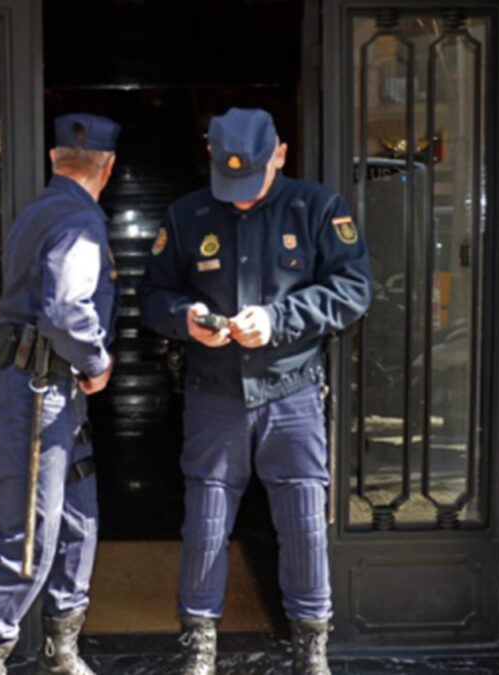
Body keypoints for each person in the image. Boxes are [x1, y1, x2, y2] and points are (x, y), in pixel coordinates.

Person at [139, 107, 371, 675]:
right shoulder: (188, 214)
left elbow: (353, 289)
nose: (239, 198)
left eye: (254, 180)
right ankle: (198, 645)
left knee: (303, 523)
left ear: (281, 155)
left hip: (292, 395)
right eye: (229, 182)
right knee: (206, 521)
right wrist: (184, 317)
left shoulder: (317, 208)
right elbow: (153, 294)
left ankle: (311, 647)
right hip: (214, 395)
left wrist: (279, 318)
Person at [0, 113, 120, 675]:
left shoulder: (35, 211)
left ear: (55, 159)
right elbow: (63, 308)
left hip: (45, 390)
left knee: (78, 516)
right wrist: (97, 361)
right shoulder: (81, 221)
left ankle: (62, 651)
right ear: (108, 167)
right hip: (41, 393)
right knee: (31, 533)